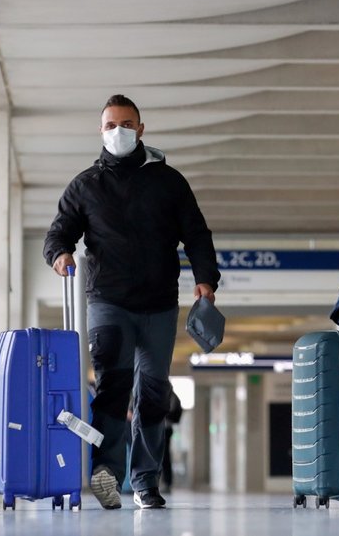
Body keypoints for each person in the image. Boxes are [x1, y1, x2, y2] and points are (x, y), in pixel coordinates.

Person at [43, 94, 220, 510]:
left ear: (141, 129)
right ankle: (107, 475)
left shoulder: (169, 181)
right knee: (112, 388)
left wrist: (206, 279)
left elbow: (196, 233)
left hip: (159, 303)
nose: (117, 131)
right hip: (108, 301)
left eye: (125, 124)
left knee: (153, 394)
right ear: (100, 131)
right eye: (110, 125)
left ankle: (145, 481)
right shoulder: (86, 185)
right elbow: (58, 233)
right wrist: (60, 255)